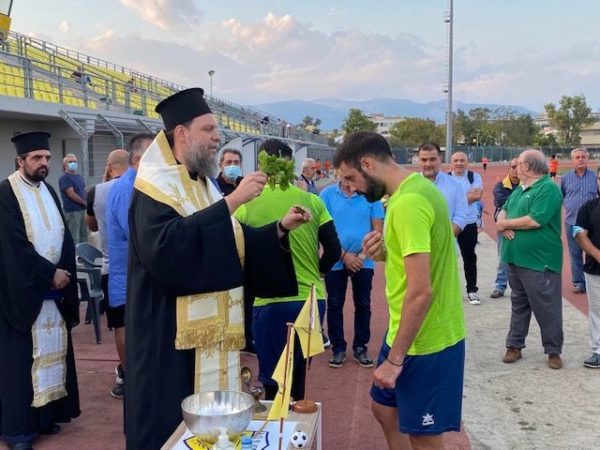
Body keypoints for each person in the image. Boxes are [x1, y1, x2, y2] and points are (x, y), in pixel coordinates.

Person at [125, 88, 310, 449]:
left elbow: (230, 241)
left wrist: (279, 229)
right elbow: (167, 251)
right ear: (181, 133)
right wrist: (233, 201)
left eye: (217, 129)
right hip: (169, 334)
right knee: (171, 426)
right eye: (208, 129)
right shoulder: (155, 187)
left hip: (206, 335)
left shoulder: (201, 183)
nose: (217, 137)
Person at [334, 132, 465, 450]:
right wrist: (383, 252)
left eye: (351, 178)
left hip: (426, 340)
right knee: (384, 409)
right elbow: (422, 256)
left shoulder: (408, 203)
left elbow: (421, 292)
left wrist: (394, 361)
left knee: (423, 437)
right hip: (404, 331)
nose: (351, 187)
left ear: (368, 164)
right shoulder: (413, 189)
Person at [235, 139, 341, 400]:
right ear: (291, 164)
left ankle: (275, 422)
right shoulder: (312, 201)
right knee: (298, 375)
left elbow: (235, 250)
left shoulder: (245, 205)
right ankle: (296, 423)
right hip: (310, 300)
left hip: (268, 301)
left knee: (272, 378)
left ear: (261, 164)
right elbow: (333, 249)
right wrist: (319, 272)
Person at [0, 131, 80, 450]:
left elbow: (64, 236)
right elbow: (14, 247)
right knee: (21, 366)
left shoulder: (48, 189)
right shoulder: (5, 193)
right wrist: (50, 273)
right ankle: (18, 431)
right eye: (36, 158)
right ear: (20, 160)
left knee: (53, 355)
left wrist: (65, 271)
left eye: (46, 157)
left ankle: (45, 417)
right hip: (23, 296)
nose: (43, 162)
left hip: (54, 295)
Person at [497, 149, 563, 369]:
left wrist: (505, 224)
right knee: (519, 304)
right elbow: (504, 209)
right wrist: (502, 222)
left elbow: (535, 220)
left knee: (547, 307)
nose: (515, 168)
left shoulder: (548, 188)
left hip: (539, 261)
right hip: (515, 258)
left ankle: (553, 350)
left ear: (526, 166)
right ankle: (514, 345)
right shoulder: (520, 189)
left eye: (518, 164)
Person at [104, 135, 154, 400]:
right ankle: (132, 379)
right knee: (127, 328)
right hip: (127, 278)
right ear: (137, 159)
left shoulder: (136, 185)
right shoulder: (128, 190)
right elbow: (139, 235)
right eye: (153, 155)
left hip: (130, 276)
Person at [319, 174, 384, 369]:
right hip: (335, 259)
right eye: (345, 175)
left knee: (363, 303)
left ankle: (360, 347)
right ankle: (338, 348)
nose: (349, 181)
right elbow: (322, 230)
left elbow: (377, 230)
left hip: (364, 260)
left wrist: (361, 256)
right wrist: (344, 256)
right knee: (335, 304)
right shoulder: (327, 195)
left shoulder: (370, 194)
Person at [85, 149, 129, 314]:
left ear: (109, 167)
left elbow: (92, 226)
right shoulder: (140, 187)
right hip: (138, 267)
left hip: (111, 269)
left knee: (119, 323)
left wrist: (102, 184)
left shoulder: (96, 191)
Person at [561, 148, 598, 293]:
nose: (580, 159)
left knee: (591, 251)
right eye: (577, 157)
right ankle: (578, 282)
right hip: (572, 222)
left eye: (583, 157)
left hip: (591, 224)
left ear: (587, 159)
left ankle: (591, 282)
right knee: (575, 254)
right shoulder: (566, 178)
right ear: (572, 160)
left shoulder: (594, 177)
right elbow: (562, 196)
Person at [573, 167, 600, 368]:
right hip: (595, 270)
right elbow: (580, 235)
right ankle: (598, 351)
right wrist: (598, 255)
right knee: (597, 312)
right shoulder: (588, 207)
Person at [450, 152, 483, 305]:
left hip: (469, 223)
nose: (459, 163)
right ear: (451, 163)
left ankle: (472, 290)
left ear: (467, 162)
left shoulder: (474, 177)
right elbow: (441, 198)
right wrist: (465, 197)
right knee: (449, 258)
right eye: (456, 160)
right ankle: (450, 291)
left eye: (462, 160)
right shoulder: (445, 179)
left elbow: (477, 195)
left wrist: (454, 199)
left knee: (469, 257)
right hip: (450, 223)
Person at [418, 142, 468, 237]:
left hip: (446, 243)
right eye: (424, 160)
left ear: (440, 159)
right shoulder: (410, 186)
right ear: (419, 161)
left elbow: (461, 217)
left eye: (432, 159)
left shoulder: (455, 185)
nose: (428, 164)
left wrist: (443, 239)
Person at [490, 158, 520, 298]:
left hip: (521, 226)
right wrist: (520, 201)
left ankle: (520, 287)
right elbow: (500, 201)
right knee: (504, 257)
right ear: (509, 168)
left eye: (519, 166)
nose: (516, 170)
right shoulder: (500, 186)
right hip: (504, 227)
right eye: (513, 167)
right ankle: (500, 286)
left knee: (522, 258)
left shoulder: (528, 185)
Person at [58, 153, 88, 245]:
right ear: (65, 165)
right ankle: (75, 254)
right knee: (74, 238)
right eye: (70, 162)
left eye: (75, 161)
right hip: (72, 212)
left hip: (82, 210)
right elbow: (71, 194)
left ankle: (83, 253)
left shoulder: (79, 177)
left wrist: (88, 201)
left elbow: (84, 190)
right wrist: (84, 202)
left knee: (84, 236)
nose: (73, 163)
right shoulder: (64, 178)